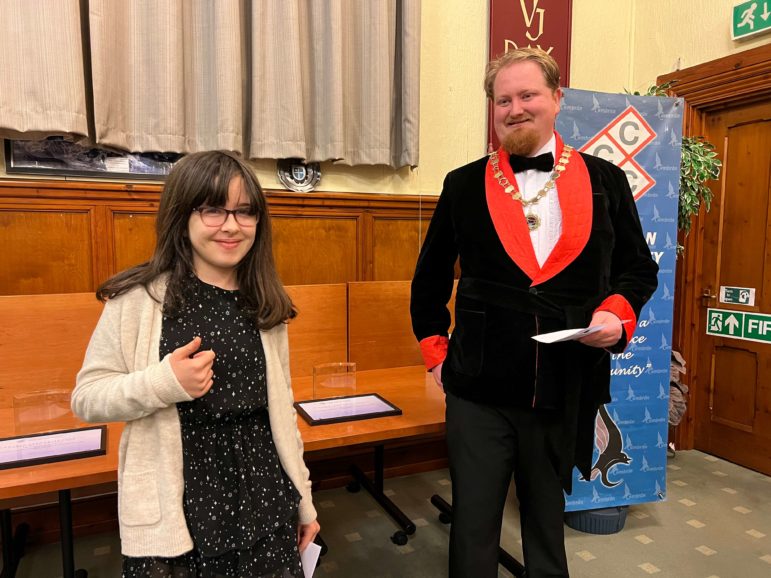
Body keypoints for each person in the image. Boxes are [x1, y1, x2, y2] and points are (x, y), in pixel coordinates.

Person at [410, 48, 658, 578]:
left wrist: (617, 315)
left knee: (547, 524)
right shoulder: (461, 184)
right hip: (477, 389)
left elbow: (638, 269)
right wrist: (436, 352)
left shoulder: (607, 181)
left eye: (528, 95)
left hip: (564, 385)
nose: (515, 108)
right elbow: (429, 278)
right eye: (503, 100)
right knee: (473, 528)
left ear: (556, 98)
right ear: (492, 108)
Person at [72, 151, 320, 577]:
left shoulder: (265, 303)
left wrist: (304, 502)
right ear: (181, 215)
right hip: (180, 507)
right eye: (212, 209)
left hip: (264, 495)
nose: (231, 226)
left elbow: (281, 416)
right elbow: (87, 398)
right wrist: (164, 382)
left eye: (245, 212)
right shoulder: (140, 299)